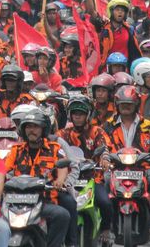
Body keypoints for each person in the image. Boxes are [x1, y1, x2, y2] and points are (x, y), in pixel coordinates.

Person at [103, 85, 150, 240]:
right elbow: (102, 144)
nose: (126, 107)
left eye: (129, 104)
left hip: (142, 167)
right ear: (117, 105)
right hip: (116, 168)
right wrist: (104, 156)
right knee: (103, 182)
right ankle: (106, 226)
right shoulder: (108, 125)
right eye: (123, 104)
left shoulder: (148, 125)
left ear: (136, 105)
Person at [5, 108, 72, 247]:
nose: (32, 130)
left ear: (44, 129)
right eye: (28, 126)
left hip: (44, 202)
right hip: (16, 203)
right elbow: (3, 170)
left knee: (62, 215)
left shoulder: (54, 148)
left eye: (36, 126)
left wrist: (60, 181)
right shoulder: (16, 150)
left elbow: (63, 167)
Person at [56, 96, 114, 243]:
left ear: (87, 115)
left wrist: (105, 159)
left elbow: (105, 148)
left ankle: (106, 229)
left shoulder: (97, 131)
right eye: (75, 113)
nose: (78, 116)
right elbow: (54, 150)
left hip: (93, 178)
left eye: (81, 113)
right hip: (69, 179)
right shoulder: (62, 134)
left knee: (106, 202)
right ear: (70, 115)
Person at [87, 0, 141, 68]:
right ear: (111, 12)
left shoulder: (129, 29)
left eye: (122, 10)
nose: (120, 12)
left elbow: (135, 51)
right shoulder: (103, 27)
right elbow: (91, 11)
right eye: (117, 10)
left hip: (124, 70)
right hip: (105, 70)